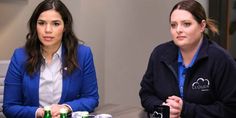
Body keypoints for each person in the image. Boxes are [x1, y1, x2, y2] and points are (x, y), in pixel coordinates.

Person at [139, 0, 236, 118]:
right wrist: (164, 108)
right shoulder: (159, 54)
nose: (178, 30)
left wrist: (185, 109)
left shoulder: (221, 60)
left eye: (186, 24)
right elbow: (146, 94)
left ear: (202, 26)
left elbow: (231, 109)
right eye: (173, 25)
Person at [3, 0, 99, 118]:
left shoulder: (83, 54)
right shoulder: (20, 56)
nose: (48, 30)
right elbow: (10, 107)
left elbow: (91, 98)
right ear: (35, 26)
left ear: (65, 27)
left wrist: (66, 108)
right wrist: (39, 113)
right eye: (42, 23)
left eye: (56, 24)